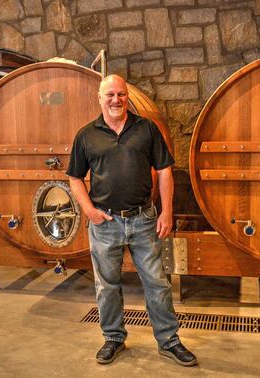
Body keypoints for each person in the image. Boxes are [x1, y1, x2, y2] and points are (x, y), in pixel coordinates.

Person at [66, 75, 197, 367]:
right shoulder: (86, 135)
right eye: (110, 94)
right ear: (99, 98)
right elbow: (74, 177)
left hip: (143, 220)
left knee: (157, 283)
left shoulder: (146, 129)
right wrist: (88, 210)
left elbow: (164, 171)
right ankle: (113, 337)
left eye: (121, 94)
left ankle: (169, 340)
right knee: (107, 285)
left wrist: (166, 211)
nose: (116, 100)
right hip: (104, 223)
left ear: (128, 97)